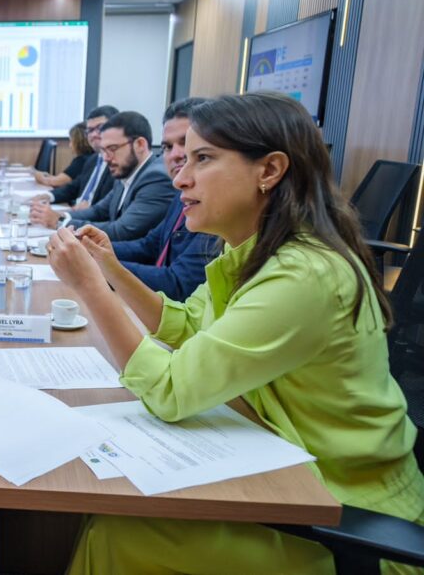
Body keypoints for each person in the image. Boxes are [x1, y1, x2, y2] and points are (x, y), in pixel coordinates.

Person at [47, 91, 424, 575]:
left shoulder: (303, 275)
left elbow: (168, 389)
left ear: (269, 171)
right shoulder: (254, 251)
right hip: (281, 467)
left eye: (202, 159)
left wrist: (90, 287)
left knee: (118, 528)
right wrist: (111, 268)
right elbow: (182, 325)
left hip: (343, 513)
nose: (180, 177)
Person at [111, 97, 217, 300]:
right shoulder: (182, 192)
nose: (176, 154)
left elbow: (179, 284)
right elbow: (150, 245)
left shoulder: (218, 205)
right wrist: (92, 249)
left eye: (185, 142)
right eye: (168, 147)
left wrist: (102, 265)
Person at [32, 111, 174, 241]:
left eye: (112, 149)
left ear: (140, 144)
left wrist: (61, 222)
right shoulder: (126, 172)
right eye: (103, 151)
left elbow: (121, 231)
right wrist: (62, 216)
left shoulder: (156, 178)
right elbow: (99, 211)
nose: (106, 158)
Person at [45, 105, 118, 205]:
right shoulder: (93, 160)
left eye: (100, 128)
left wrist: (69, 215)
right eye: (90, 130)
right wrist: (48, 196)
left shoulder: (118, 165)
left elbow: (105, 209)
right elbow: (74, 187)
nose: (93, 135)